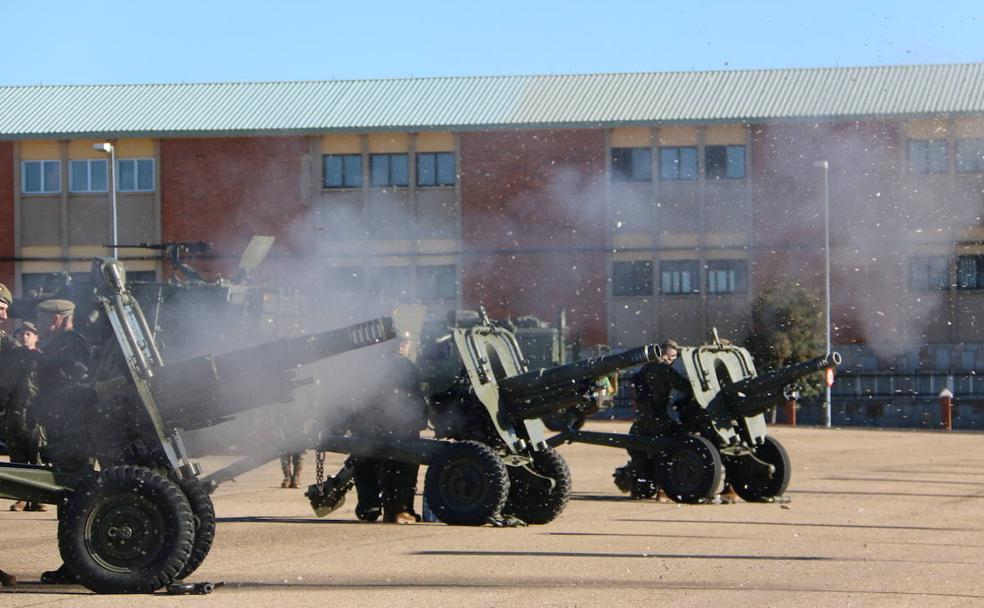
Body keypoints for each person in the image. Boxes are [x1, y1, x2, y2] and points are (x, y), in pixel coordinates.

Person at [32, 299, 95, 585]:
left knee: (72, 500)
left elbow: (79, 387)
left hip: (74, 434)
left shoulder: (71, 346)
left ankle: (76, 564)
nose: (38, 325)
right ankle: (74, 562)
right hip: (65, 432)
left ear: (56, 319)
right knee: (69, 500)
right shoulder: (62, 344)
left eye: (41, 319)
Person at [351, 333, 429, 524]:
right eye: (399, 341)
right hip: (384, 425)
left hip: (399, 424)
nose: (403, 345)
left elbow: (415, 397)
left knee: (398, 469)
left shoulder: (405, 366)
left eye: (406, 341)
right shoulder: (388, 366)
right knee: (391, 468)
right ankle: (392, 509)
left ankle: (393, 509)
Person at [614, 339, 692, 499]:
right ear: (662, 354)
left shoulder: (646, 368)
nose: (671, 361)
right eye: (669, 357)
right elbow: (684, 386)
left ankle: (637, 484)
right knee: (669, 448)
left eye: (673, 358)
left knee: (642, 454)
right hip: (657, 419)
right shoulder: (661, 369)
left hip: (645, 419)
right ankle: (658, 487)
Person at [3, 322, 45, 512]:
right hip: (15, 413)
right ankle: (21, 498)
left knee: (36, 456)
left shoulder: (43, 359)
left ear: (36, 337)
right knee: (17, 458)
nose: (25, 337)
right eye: (21, 334)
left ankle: (38, 498)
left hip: (36, 413)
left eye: (29, 333)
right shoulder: (10, 359)